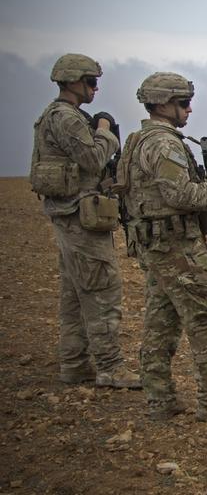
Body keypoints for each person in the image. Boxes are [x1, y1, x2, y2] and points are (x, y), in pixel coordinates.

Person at [117, 72, 207, 423]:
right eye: (183, 102)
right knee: (205, 319)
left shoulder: (138, 140)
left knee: (162, 320)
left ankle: (160, 399)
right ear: (162, 104)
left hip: (156, 245)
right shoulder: (163, 144)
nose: (189, 109)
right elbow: (180, 193)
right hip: (176, 248)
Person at [28, 53, 140, 389]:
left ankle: (75, 364)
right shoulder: (67, 118)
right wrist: (105, 132)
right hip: (81, 216)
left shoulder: (53, 115)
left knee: (74, 294)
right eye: (90, 81)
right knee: (101, 289)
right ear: (73, 81)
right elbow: (92, 157)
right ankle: (110, 367)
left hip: (70, 214)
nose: (95, 88)